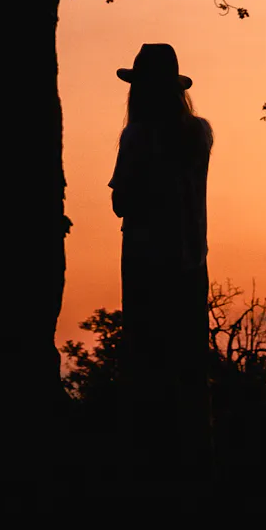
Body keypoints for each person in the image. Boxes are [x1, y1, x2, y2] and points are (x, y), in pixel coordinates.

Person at [109, 43, 212, 467]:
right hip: (192, 260)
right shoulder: (199, 132)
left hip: (145, 261)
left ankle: (149, 457)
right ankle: (194, 453)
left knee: (147, 360)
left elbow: (122, 203)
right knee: (188, 362)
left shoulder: (136, 136)